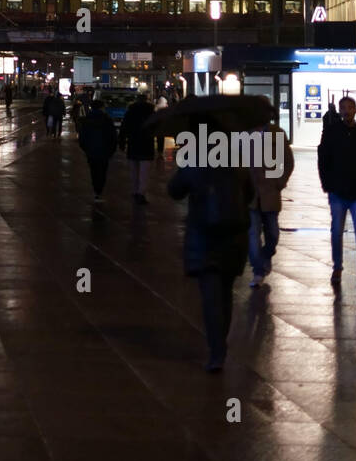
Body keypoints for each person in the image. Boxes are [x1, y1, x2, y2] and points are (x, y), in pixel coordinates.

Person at [168, 136, 255, 371]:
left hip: (204, 236)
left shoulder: (194, 161)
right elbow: (250, 194)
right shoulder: (238, 163)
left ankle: (217, 350)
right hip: (233, 238)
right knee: (225, 293)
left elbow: (174, 191)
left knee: (210, 296)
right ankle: (220, 344)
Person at [318, 95, 356, 290]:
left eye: (350, 107)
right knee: (336, 231)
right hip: (337, 191)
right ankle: (337, 267)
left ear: (355, 110)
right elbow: (323, 158)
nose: (347, 111)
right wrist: (327, 184)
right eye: (343, 108)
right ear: (340, 111)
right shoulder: (331, 132)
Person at [247, 113, 294, 286]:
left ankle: (266, 256)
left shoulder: (278, 133)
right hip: (251, 195)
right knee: (252, 236)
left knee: (272, 234)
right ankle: (258, 271)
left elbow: (288, 161)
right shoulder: (244, 134)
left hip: (270, 193)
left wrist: (280, 182)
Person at [119, 92, 156, 203]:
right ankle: (141, 193)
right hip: (147, 145)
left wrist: (121, 142)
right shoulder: (151, 113)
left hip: (133, 144)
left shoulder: (130, 112)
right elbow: (157, 129)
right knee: (144, 172)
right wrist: (159, 145)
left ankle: (135, 191)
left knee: (134, 171)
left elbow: (124, 128)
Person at [78, 101, 118, 200]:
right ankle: (99, 190)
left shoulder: (87, 120)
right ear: (102, 108)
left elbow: (82, 137)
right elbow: (113, 136)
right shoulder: (107, 120)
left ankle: (96, 190)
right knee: (103, 171)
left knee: (94, 171)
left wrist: (86, 148)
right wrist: (112, 150)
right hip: (104, 150)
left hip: (91, 150)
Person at [154, 93, 169, 158]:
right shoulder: (165, 107)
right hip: (163, 124)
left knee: (159, 138)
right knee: (162, 138)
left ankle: (159, 150)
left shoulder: (156, 107)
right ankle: (160, 151)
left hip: (157, 124)